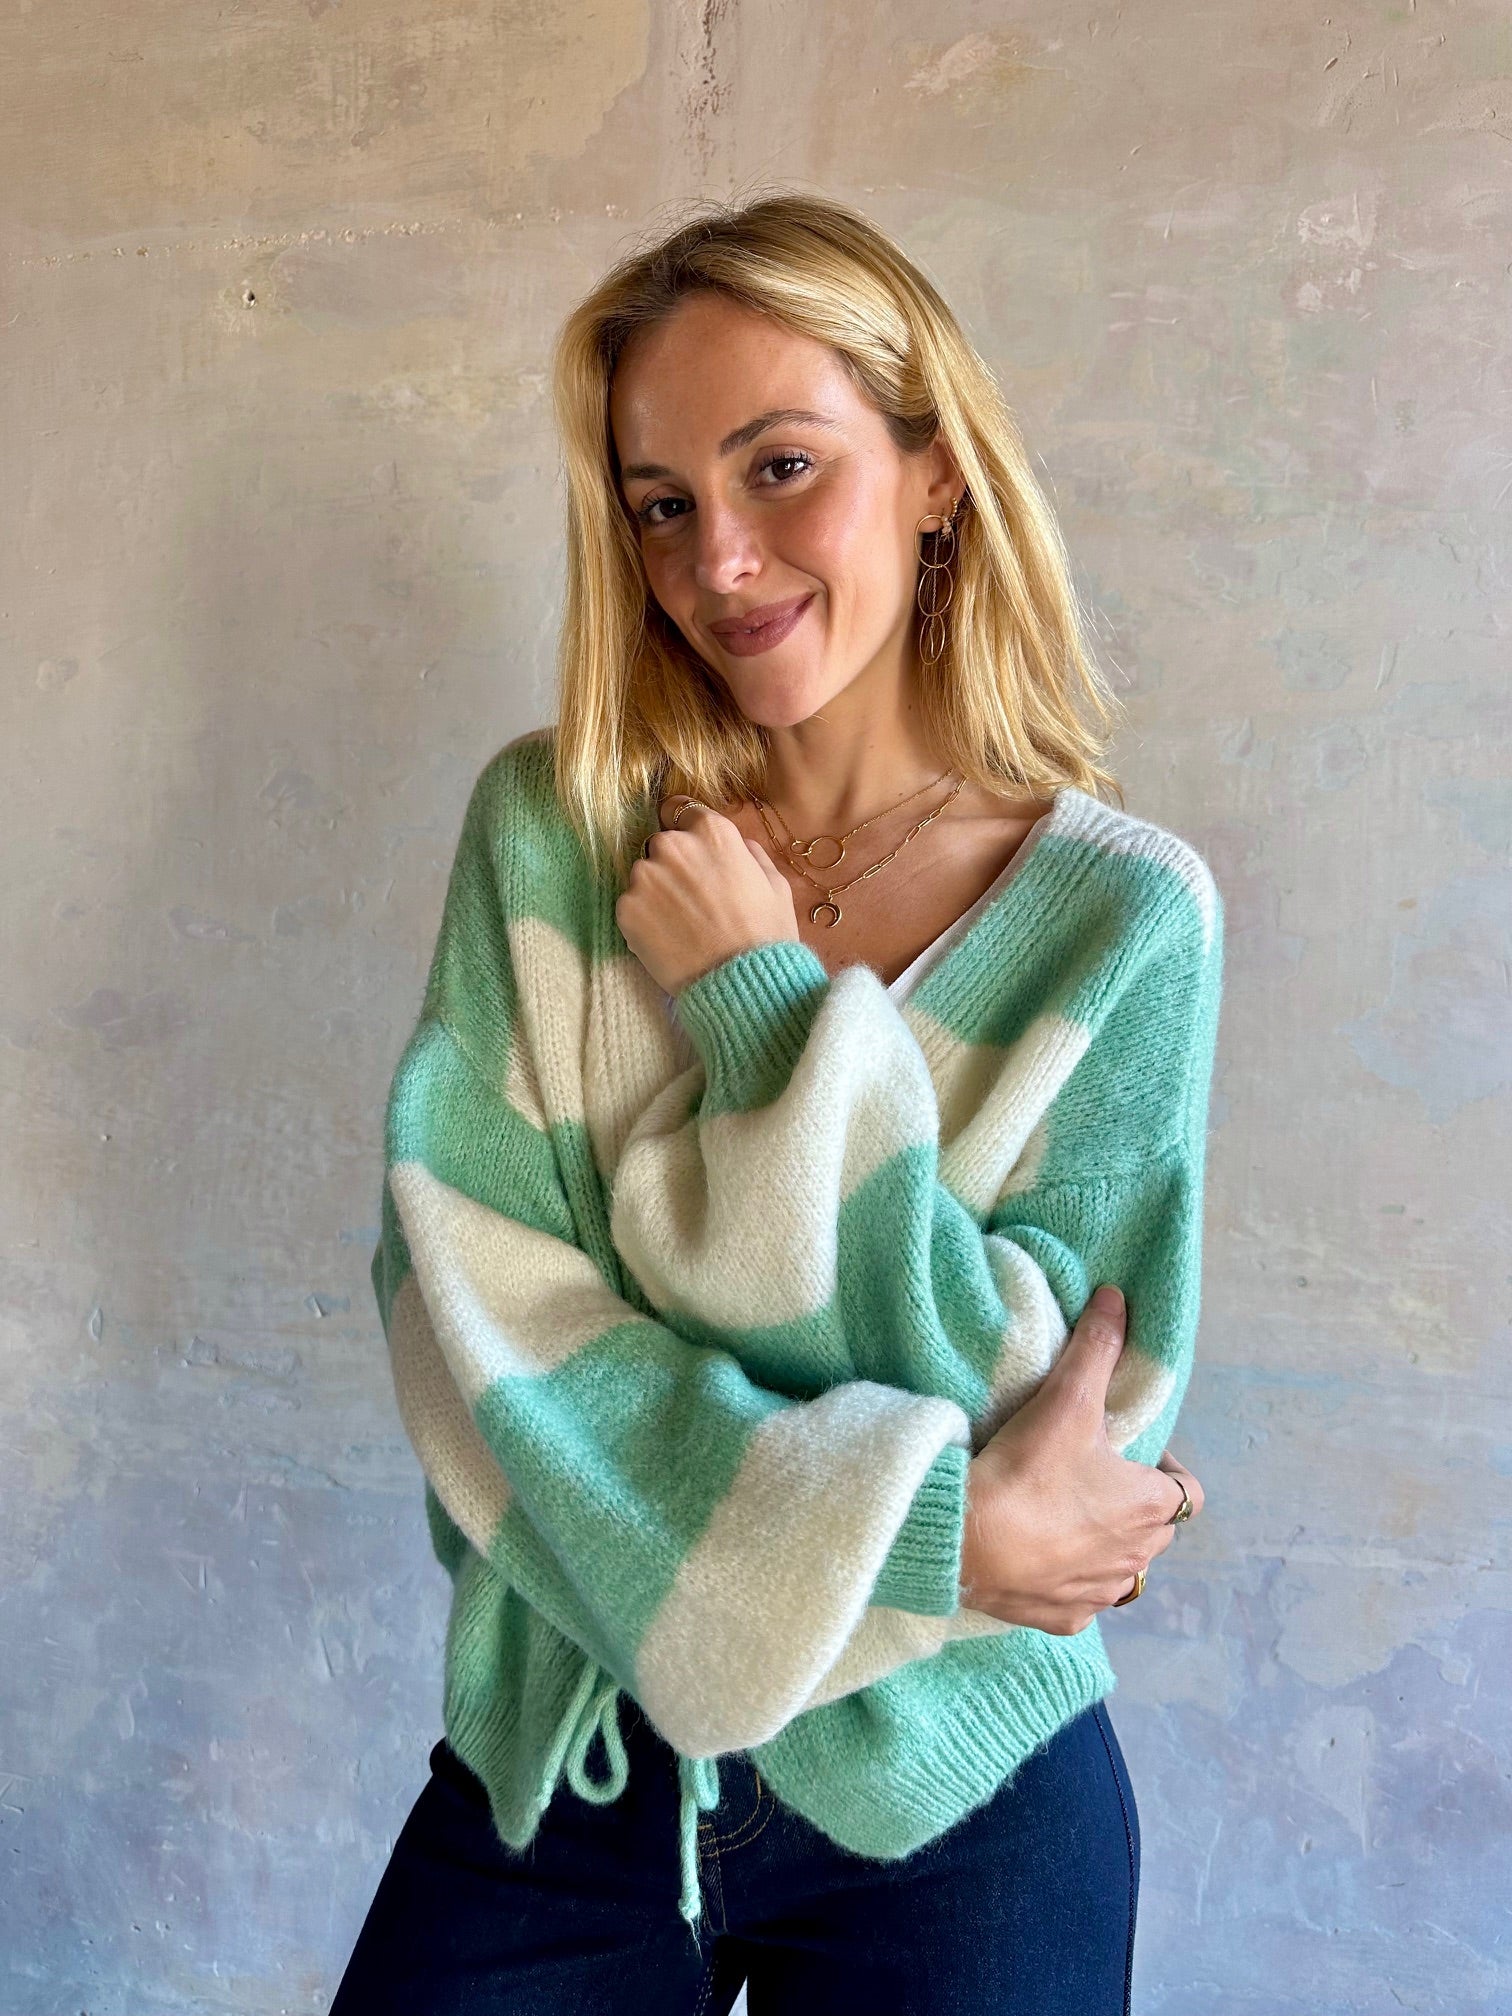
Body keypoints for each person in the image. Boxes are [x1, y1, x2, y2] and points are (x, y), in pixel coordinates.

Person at [331, 189, 1221, 2015]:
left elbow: (1064, 1406)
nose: (718, 559)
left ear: (936, 475)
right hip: (576, 1758)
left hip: (959, 1791)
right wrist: (933, 1525)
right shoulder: (554, 836)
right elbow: (477, 1323)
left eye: (782, 467)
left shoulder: (1124, 922)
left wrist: (769, 1023)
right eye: (661, 502)